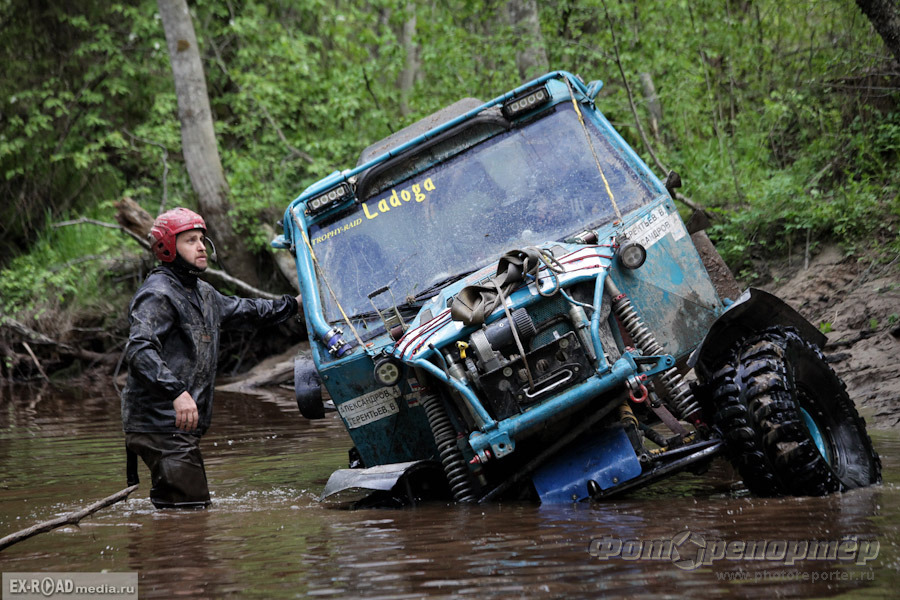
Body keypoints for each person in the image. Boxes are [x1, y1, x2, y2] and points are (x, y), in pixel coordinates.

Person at [121, 207, 300, 508]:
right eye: (190, 240)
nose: (201, 246)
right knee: (191, 515)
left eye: (202, 239)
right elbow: (139, 349)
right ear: (168, 248)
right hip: (159, 424)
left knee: (186, 512)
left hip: (175, 428)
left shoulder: (203, 292)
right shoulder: (157, 293)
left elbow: (247, 310)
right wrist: (176, 392)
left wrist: (293, 305)